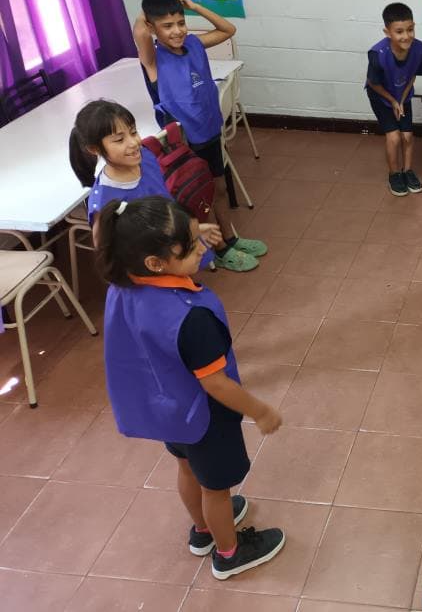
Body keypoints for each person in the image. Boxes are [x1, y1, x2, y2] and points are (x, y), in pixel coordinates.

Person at [96, 195, 286, 580]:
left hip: (169, 412)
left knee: (187, 468)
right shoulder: (190, 318)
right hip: (204, 417)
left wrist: (194, 231)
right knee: (216, 488)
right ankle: (229, 553)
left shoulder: (124, 287)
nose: (201, 247)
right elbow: (216, 384)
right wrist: (260, 411)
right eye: (191, 245)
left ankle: (202, 531)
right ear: (156, 262)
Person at [133, 0, 267, 267]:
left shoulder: (194, 44)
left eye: (180, 22)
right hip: (182, 142)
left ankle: (229, 238)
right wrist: (145, 14)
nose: (177, 31)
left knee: (218, 188)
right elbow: (140, 33)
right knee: (195, 198)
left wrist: (194, 5)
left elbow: (228, 29)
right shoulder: (153, 59)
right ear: (152, 26)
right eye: (167, 26)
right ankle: (212, 250)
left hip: (208, 129)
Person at [68, 100, 235, 270]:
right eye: (119, 140)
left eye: (133, 132)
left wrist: (190, 230)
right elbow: (110, 255)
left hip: (177, 251)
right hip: (152, 271)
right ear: (95, 149)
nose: (133, 143)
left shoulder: (146, 157)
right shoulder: (105, 202)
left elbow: (164, 207)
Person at [365, 2, 422, 196]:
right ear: (387, 32)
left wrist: (401, 99)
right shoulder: (378, 54)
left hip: (402, 94)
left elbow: (412, 75)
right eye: (399, 31)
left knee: (407, 135)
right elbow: (373, 83)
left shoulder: (418, 48)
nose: (406, 36)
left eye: (410, 30)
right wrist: (392, 101)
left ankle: (407, 171)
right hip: (381, 96)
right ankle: (394, 174)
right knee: (394, 137)